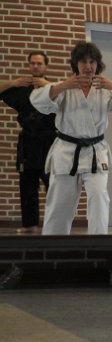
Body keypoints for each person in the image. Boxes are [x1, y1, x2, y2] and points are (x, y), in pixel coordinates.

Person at [30, 42, 112, 235]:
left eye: (92, 62)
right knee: (60, 202)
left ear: (98, 65)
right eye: (83, 62)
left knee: (99, 197)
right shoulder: (64, 87)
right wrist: (64, 85)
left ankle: (99, 242)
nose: (88, 66)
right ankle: (54, 245)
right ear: (75, 64)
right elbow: (38, 101)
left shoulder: (105, 90)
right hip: (66, 151)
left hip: (96, 151)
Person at [0, 51, 56, 233]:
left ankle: (55, 225)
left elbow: (70, 95)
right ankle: (30, 225)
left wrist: (48, 85)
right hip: (28, 143)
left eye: (39, 63)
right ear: (29, 65)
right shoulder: (21, 89)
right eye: (33, 63)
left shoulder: (54, 89)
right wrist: (12, 83)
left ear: (46, 66)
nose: (36, 66)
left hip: (49, 142)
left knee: (53, 185)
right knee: (27, 185)